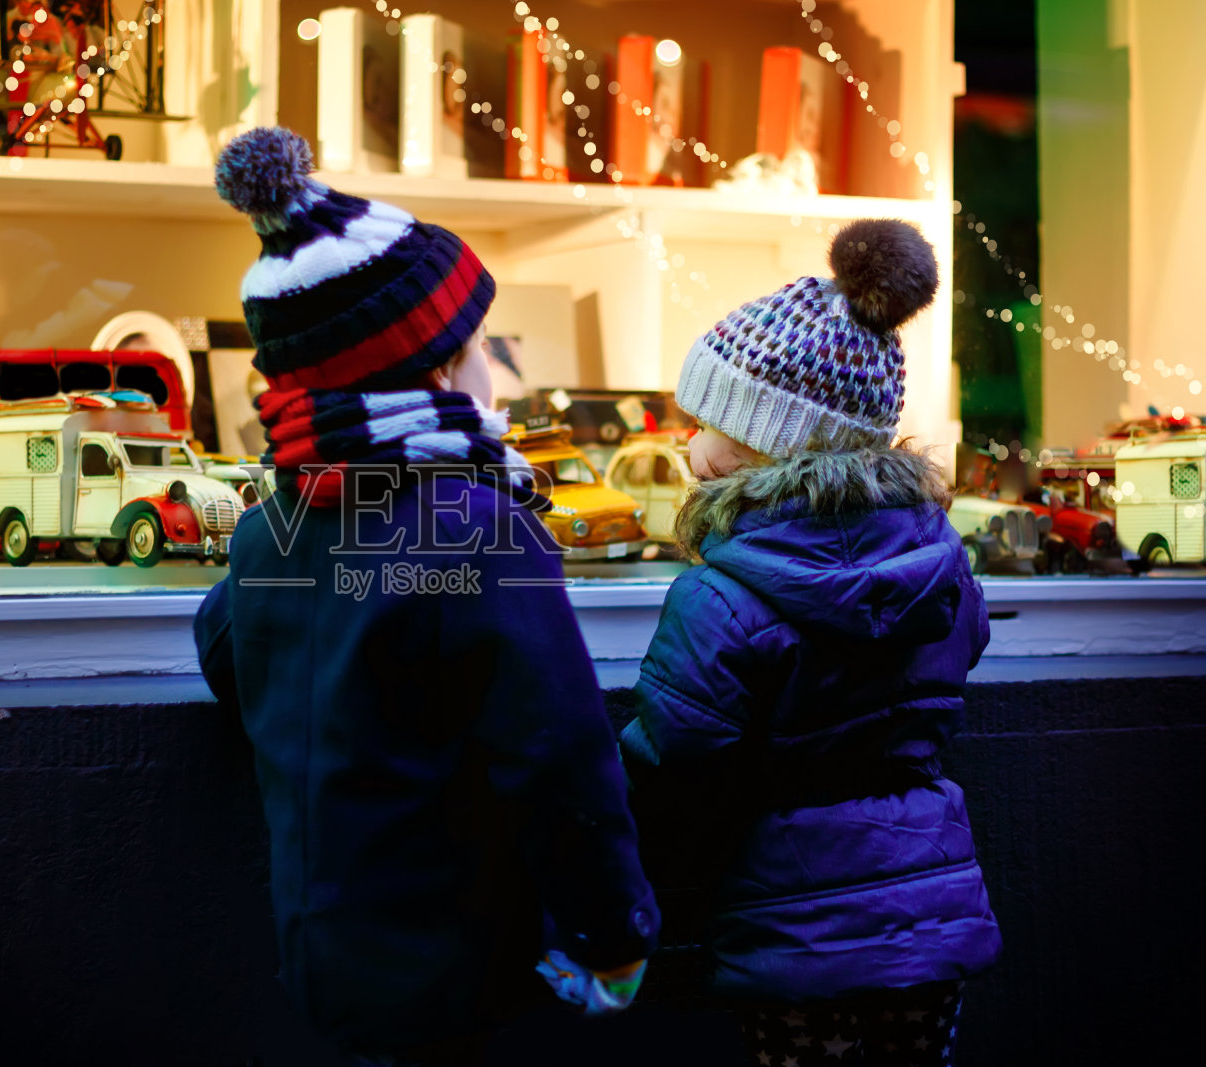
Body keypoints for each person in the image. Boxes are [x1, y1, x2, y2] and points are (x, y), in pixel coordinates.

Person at [194, 127, 659, 1065]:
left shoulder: (273, 530)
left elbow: (226, 654)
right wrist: (612, 934)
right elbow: (561, 755)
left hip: (321, 956)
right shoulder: (478, 528)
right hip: (460, 969)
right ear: (441, 367)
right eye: (480, 342)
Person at [621, 219, 1001, 1066]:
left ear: (764, 445)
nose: (689, 446)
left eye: (709, 423)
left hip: (794, 920)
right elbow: (964, 642)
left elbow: (675, 752)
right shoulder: (941, 565)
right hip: (932, 904)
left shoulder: (720, 593)